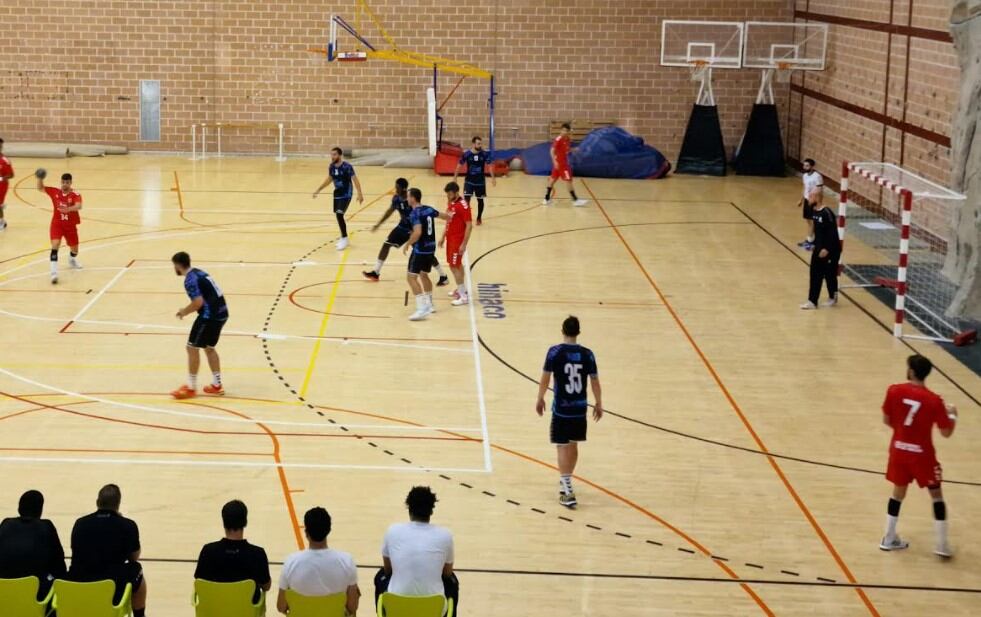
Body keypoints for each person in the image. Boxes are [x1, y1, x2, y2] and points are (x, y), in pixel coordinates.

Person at [879, 354, 958, 557]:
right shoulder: (934, 400)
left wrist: (903, 433)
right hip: (923, 456)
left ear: (912, 372)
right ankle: (941, 545)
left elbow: (887, 420)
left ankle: (888, 538)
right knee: (936, 497)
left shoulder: (894, 390)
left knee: (897, 494)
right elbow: (946, 433)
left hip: (898, 451)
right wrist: (952, 415)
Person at [536, 316, 603, 508]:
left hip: (562, 408)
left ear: (563, 330)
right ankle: (566, 481)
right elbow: (595, 381)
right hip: (580, 408)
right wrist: (599, 403)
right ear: (578, 332)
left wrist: (540, 397)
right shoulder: (587, 354)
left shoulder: (555, 352)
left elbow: (545, 379)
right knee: (573, 446)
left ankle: (567, 488)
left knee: (562, 446)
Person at [375, 487, 458, 616]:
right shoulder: (445, 535)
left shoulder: (392, 531)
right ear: (431, 511)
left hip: (396, 607)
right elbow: (447, 573)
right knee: (453, 580)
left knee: (380, 576)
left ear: (409, 509)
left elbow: (388, 570)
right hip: (433, 609)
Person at [69, 484, 147, 617]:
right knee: (136, 568)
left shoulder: (80, 523)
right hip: (112, 586)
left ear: (97, 502)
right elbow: (134, 557)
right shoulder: (128, 525)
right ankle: (139, 615)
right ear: (118, 505)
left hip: (80, 583)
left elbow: (75, 550)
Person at [362, 177, 448, 286]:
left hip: (414, 229)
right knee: (386, 245)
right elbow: (389, 211)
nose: (395, 189)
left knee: (426, 253)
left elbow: (420, 214)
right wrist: (379, 224)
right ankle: (376, 272)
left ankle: (443, 275)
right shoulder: (396, 198)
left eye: (397, 187)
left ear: (404, 189)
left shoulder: (411, 200)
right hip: (402, 227)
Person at [277, 507, 359, 616]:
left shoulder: (290, 562)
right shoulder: (347, 561)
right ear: (329, 530)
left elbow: (281, 606)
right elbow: (352, 607)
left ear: (306, 533)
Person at [171, 251, 229, 399]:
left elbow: (198, 303)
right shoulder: (199, 272)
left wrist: (184, 311)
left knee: (191, 348)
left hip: (209, 316)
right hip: (222, 313)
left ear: (178, 265)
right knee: (209, 348)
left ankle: (190, 388)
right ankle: (217, 385)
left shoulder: (190, 280)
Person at [194, 500, 271, 603]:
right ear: (245, 522)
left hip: (215, 612)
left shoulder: (208, 551)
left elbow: (200, 584)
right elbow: (266, 586)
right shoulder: (257, 554)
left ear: (224, 522)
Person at [0, 490, 66, 600]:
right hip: (36, 596)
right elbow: (59, 566)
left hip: (4, 595)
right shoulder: (46, 526)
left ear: (19, 508)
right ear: (40, 510)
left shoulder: (6, 524)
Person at [403, 188, 451, 321]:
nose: (407, 199)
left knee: (411, 278)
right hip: (431, 249)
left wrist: (408, 243)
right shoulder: (429, 209)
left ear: (413, 198)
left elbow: (417, 233)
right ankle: (429, 304)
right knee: (424, 275)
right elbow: (445, 216)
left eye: (408, 196)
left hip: (419, 250)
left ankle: (421, 309)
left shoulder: (414, 214)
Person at [313, 147, 364, 251]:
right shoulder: (331, 167)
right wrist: (319, 189)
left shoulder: (347, 167)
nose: (332, 157)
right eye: (331, 154)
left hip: (347, 193)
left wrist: (360, 194)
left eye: (334, 154)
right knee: (338, 215)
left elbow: (355, 180)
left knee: (339, 214)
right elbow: (329, 179)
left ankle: (344, 238)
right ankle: (343, 237)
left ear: (340, 155)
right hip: (337, 194)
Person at [36, 169, 82, 285]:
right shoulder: (55, 192)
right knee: (55, 245)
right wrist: (40, 178)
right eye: (63, 182)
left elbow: (79, 206)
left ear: (70, 183)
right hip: (57, 224)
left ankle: (72, 259)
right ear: (61, 182)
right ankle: (54, 274)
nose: (64, 184)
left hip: (70, 226)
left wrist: (69, 209)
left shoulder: (75, 194)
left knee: (75, 250)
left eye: (67, 182)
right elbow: (40, 188)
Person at [799, 195, 840, 310]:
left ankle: (833, 296)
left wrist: (826, 248)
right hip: (818, 249)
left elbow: (833, 233)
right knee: (815, 273)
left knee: (829, 274)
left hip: (831, 250)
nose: (809, 198)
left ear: (817, 198)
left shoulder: (827, 212)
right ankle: (812, 301)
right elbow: (816, 230)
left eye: (811, 196)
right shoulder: (813, 211)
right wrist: (812, 244)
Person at [438, 182, 473, 307]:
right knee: (457, 265)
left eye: (449, 194)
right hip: (450, 239)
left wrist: (463, 244)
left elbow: (469, 226)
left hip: (457, 241)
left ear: (456, 192)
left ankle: (463, 297)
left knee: (453, 266)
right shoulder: (451, 202)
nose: (447, 196)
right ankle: (461, 290)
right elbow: (449, 220)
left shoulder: (462, 206)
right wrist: (443, 237)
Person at [542, 123, 588, 207]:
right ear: (561, 130)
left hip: (562, 164)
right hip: (561, 165)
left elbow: (566, 150)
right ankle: (575, 200)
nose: (564, 132)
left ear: (568, 131)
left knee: (552, 180)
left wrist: (574, 149)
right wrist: (554, 162)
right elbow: (551, 151)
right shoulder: (558, 139)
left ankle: (546, 198)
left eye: (566, 131)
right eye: (563, 130)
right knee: (568, 181)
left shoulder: (567, 139)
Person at [453, 135, 495, 225]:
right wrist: (455, 177)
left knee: (480, 200)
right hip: (469, 181)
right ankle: (467, 218)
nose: (480, 145)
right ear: (473, 144)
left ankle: (479, 217)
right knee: (467, 200)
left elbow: (489, 166)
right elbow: (459, 165)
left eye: (481, 144)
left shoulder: (484, 154)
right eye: (478, 144)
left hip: (480, 182)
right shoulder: (467, 154)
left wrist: (493, 178)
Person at [797, 158, 824, 250]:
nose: (805, 167)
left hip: (813, 201)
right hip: (806, 200)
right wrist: (801, 200)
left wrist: (818, 204)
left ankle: (809, 241)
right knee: (808, 220)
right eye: (804, 165)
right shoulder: (804, 176)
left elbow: (820, 190)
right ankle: (812, 240)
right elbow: (804, 187)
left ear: (812, 166)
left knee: (812, 221)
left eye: (807, 165)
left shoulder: (817, 177)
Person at [0, 137, 14, 231]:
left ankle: (2, 222)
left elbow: (11, 175)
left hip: (2, 185)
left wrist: (1, 178)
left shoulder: (4, 160)